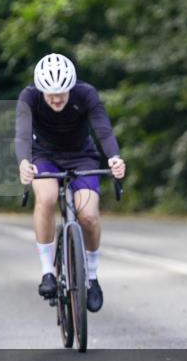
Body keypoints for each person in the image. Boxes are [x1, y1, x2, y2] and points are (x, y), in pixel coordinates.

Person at [14, 54, 126, 311]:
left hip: (81, 156)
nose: (55, 99)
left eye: (62, 94)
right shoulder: (29, 98)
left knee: (88, 216)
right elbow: (21, 135)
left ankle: (92, 278)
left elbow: (103, 130)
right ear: (40, 89)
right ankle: (47, 273)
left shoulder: (86, 95)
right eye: (50, 93)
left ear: (71, 88)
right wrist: (23, 163)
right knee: (47, 198)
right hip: (43, 155)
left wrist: (115, 158)